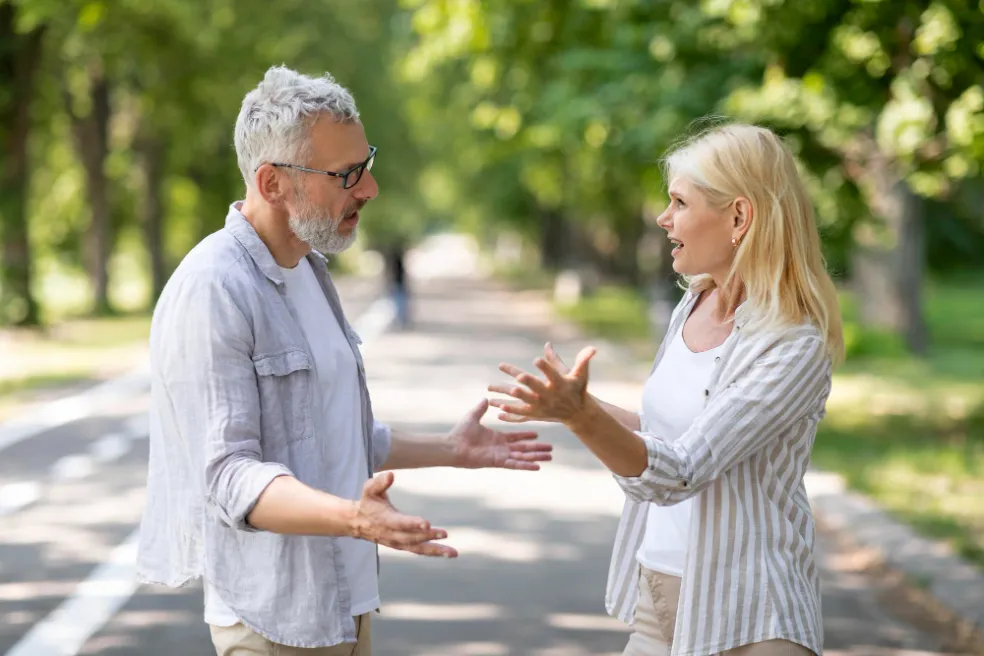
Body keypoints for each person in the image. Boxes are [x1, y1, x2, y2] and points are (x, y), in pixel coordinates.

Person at [135, 66, 552, 656]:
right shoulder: (214, 288)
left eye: (367, 164)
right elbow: (227, 475)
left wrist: (451, 451)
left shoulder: (309, 269)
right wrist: (356, 520)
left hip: (346, 607)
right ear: (272, 182)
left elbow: (332, 436)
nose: (370, 188)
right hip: (275, 624)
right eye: (346, 174)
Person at [489, 123, 844, 656]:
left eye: (679, 201)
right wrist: (572, 406)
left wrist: (583, 418)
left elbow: (679, 472)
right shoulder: (693, 304)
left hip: (750, 616)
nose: (663, 217)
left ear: (739, 218)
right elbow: (665, 435)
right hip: (660, 594)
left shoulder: (792, 345)